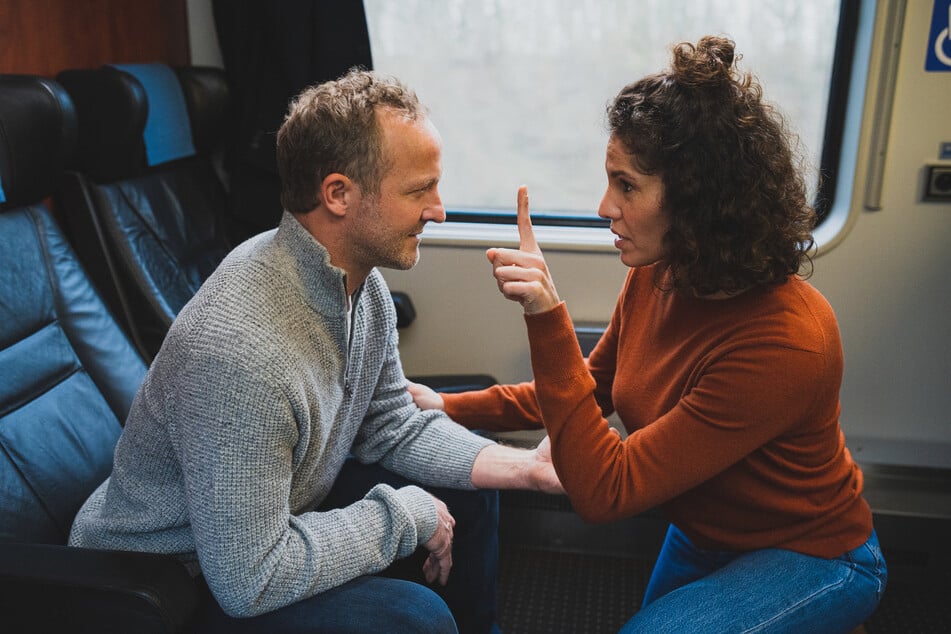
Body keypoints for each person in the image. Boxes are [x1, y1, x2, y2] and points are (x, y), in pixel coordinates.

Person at [410, 36, 887, 633]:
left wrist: (546, 315)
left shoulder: (788, 342)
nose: (604, 205)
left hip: (813, 553)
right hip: (705, 534)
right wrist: (448, 406)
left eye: (627, 186)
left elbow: (607, 490)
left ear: (696, 202)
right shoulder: (662, 273)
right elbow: (589, 387)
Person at [68, 68, 562, 634]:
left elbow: (392, 423)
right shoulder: (242, 355)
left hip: (264, 524)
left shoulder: (359, 284)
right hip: (167, 582)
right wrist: (403, 516)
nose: (439, 210)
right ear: (338, 195)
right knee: (414, 619)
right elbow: (250, 578)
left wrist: (526, 468)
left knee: (470, 488)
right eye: (417, 191)